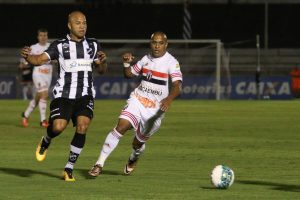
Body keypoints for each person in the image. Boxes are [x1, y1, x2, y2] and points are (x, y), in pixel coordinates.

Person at [20, 11, 107, 181]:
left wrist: (103, 62)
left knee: (83, 126)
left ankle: (69, 168)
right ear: (69, 25)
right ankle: (46, 139)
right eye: (78, 23)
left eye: (84, 22)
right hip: (64, 95)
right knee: (58, 127)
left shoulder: (94, 44)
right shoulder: (59, 46)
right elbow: (38, 60)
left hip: (85, 94)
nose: (82, 26)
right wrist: (27, 56)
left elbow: (101, 70)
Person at [88, 31, 183, 177]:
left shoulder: (171, 62)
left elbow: (178, 85)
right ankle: (99, 164)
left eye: (160, 43)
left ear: (166, 44)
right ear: (150, 43)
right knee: (121, 126)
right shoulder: (146, 59)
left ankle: (134, 156)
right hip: (138, 100)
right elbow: (129, 74)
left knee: (137, 143)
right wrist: (126, 63)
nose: (157, 46)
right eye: (154, 43)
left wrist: (169, 99)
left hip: (155, 111)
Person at [21, 28, 53, 128]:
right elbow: (26, 61)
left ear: (47, 36)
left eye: (45, 35)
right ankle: (43, 120)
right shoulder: (34, 48)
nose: (43, 37)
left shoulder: (51, 47)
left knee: (38, 97)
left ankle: (25, 115)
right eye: (41, 35)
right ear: (38, 37)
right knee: (44, 94)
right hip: (38, 74)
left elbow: (57, 59)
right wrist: (24, 63)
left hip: (48, 75)